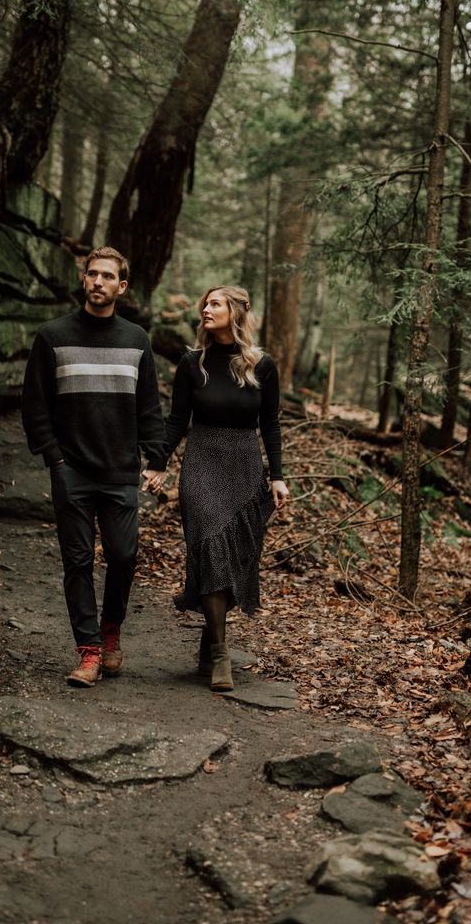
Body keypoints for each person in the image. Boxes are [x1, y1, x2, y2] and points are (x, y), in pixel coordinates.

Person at [21, 246, 167, 687]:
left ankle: (110, 632)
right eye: (92, 274)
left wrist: (156, 456)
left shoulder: (137, 340)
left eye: (108, 276)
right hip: (72, 471)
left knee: (123, 557)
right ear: (83, 280)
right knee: (77, 562)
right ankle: (88, 653)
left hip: (120, 471)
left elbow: (149, 406)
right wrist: (55, 458)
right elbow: (34, 403)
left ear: (121, 287)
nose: (98, 282)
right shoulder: (52, 335)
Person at [164, 285, 288, 692]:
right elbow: (176, 420)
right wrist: (156, 463)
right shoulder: (191, 363)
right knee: (212, 545)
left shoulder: (261, 365)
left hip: (244, 465)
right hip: (201, 461)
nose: (205, 308)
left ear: (235, 312)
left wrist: (277, 475)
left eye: (215, 303)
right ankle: (221, 655)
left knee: (236, 557)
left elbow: (270, 425)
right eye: (205, 303)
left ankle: (210, 635)